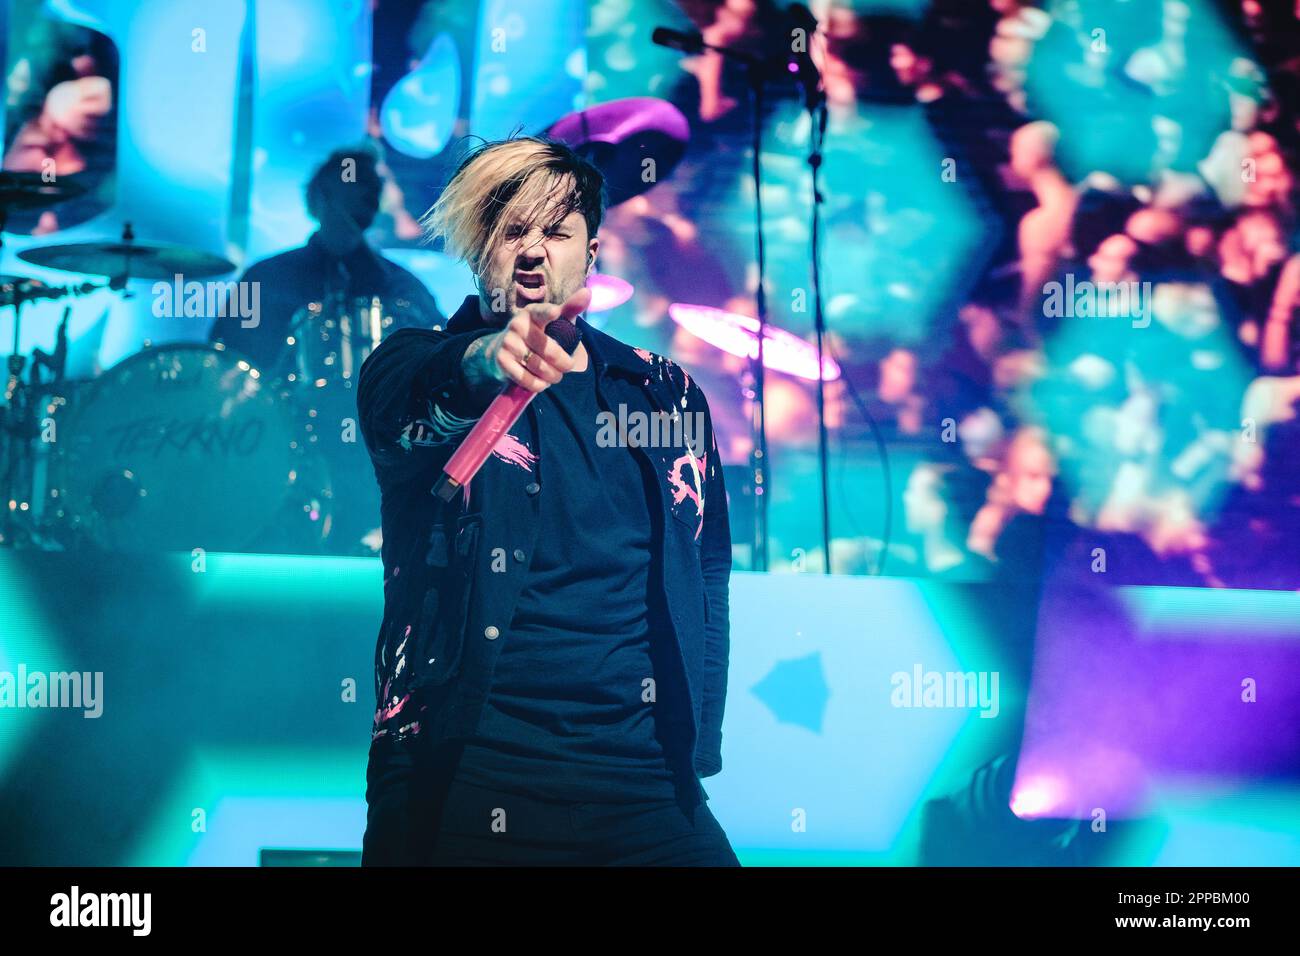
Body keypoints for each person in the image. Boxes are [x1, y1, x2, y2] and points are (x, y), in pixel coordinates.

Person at [355, 136, 739, 865]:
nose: (534, 251)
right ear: (479, 252)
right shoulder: (419, 364)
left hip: (645, 783)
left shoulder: (662, 394)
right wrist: (483, 361)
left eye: (557, 232)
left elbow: (707, 574)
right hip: (470, 774)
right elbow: (404, 406)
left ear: (591, 252)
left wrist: (699, 743)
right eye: (512, 232)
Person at [210, 145, 445, 554]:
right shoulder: (266, 280)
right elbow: (223, 364)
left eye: (371, 190)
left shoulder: (402, 288)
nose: (365, 196)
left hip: (380, 448)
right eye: (352, 186)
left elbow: (440, 359)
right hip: (277, 445)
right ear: (318, 198)